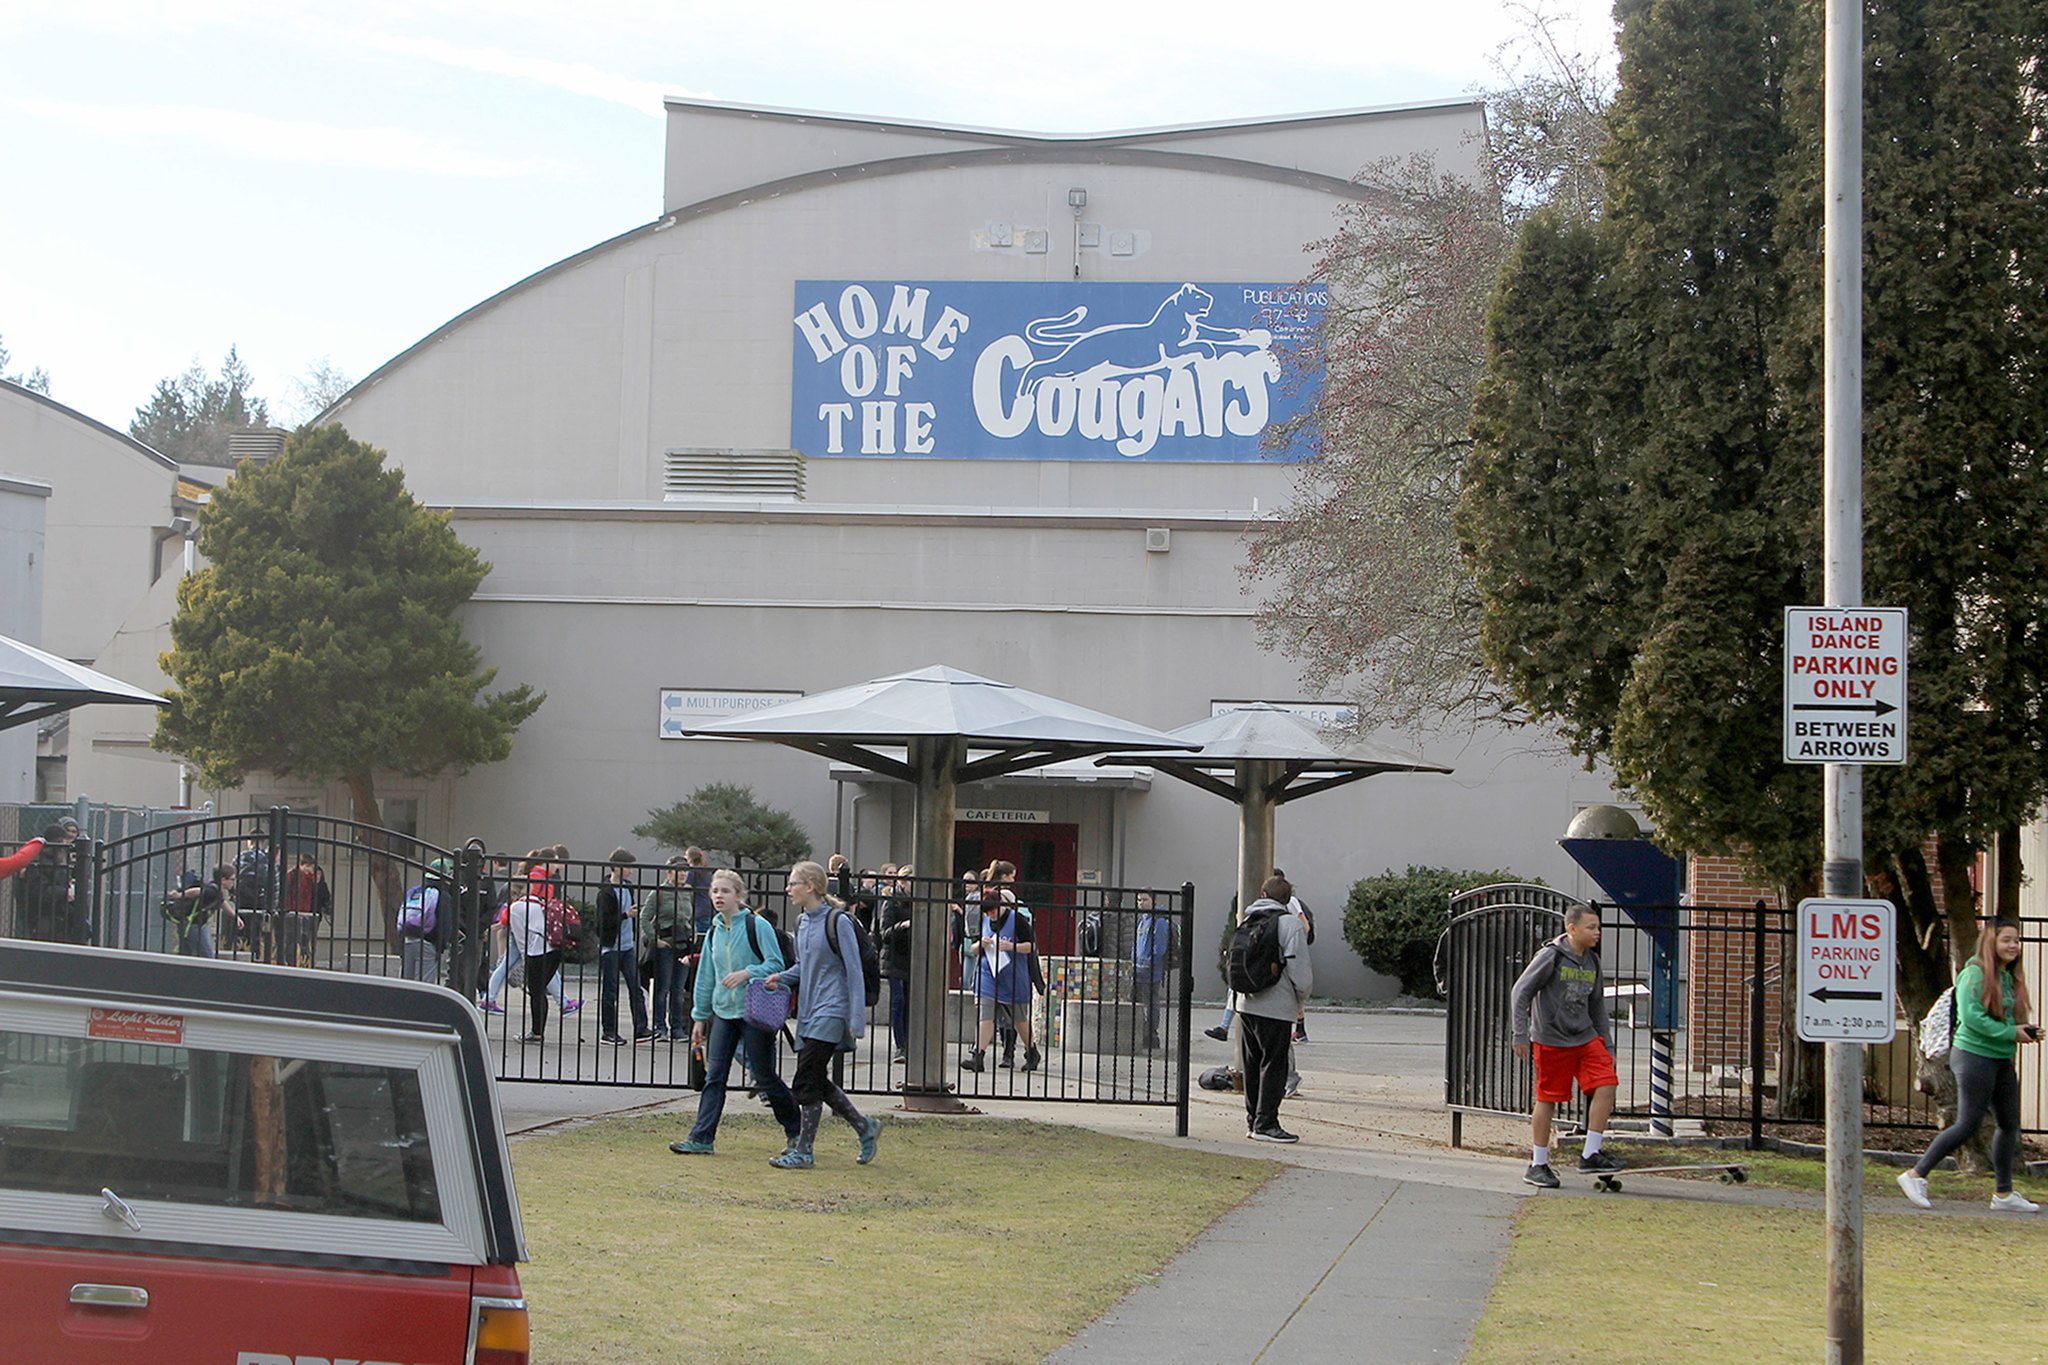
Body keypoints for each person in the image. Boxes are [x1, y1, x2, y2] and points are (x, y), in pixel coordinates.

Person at [1898, 920, 2043, 1212]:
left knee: (2008, 1123)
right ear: (1991, 942)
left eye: (2016, 940)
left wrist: (2023, 1029)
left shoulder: (2005, 976)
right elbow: (1972, 1017)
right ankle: (1915, 1175)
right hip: (1974, 1056)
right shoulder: (1974, 974)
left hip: (2000, 1058)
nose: (2013, 946)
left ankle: (2003, 1195)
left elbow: (2001, 1019)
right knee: (1968, 1123)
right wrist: (2009, 1033)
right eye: (2006, 940)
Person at [759, 861, 883, 1169]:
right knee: (816, 1079)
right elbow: (803, 966)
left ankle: (804, 1150)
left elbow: (854, 970)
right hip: (810, 1012)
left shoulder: (838, 922)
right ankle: (865, 1127)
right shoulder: (802, 923)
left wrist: (856, 1019)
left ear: (810, 886)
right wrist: (781, 978)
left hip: (832, 1009)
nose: (788, 889)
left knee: (805, 1079)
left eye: (793, 883)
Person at [669, 869, 801, 1155]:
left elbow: (776, 964)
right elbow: (706, 975)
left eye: (725, 891)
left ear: (738, 896)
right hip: (723, 1013)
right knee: (714, 1076)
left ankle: (795, 1130)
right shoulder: (714, 930)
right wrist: (699, 1017)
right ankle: (702, 1137)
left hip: (754, 1012)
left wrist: (747, 973)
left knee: (764, 1076)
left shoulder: (757, 925)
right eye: (715, 891)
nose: (718, 896)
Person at [1510, 903, 1622, 1187]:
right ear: (1572, 929)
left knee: (1607, 1083)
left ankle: (1591, 1153)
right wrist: (1520, 1034)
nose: (1597, 933)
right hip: (1552, 1039)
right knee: (1548, 1098)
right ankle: (1538, 1164)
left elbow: (1597, 1005)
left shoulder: (1593, 962)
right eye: (1591, 928)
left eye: (1598, 927)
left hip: (1585, 1037)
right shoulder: (1551, 956)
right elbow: (1521, 992)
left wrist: (1606, 1045)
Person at [1238, 875, 1311, 1142]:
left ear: (1262, 894)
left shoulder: (1247, 920)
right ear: (1287, 900)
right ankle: (1267, 1124)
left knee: (1252, 1063)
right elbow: (1300, 971)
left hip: (1246, 1003)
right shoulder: (1289, 924)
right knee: (1274, 1064)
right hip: (1276, 1006)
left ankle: (1252, 1120)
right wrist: (1301, 998)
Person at [963, 864, 1039, 1073]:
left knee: (1019, 1019)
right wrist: (982, 945)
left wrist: (1011, 946)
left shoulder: (1018, 920)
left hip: (1013, 975)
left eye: (993, 912)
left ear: (1001, 906)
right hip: (988, 973)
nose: (991, 917)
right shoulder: (986, 918)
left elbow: (1031, 946)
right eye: (988, 914)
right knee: (985, 1015)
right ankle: (978, 1056)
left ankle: (1031, 1050)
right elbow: (975, 947)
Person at [596, 848, 651, 1045]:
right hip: (610, 946)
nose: (630, 871)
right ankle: (608, 1031)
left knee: (635, 987)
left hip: (628, 945)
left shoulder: (628, 887)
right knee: (610, 990)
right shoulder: (606, 892)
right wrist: (626, 915)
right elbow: (603, 922)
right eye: (627, 867)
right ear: (616, 868)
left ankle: (641, 1028)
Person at [509, 862, 565, 1044]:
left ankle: (536, 1032)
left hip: (536, 952)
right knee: (541, 990)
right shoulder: (540, 903)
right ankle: (538, 1031)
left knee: (536, 991)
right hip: (555, 949)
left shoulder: (516, 908)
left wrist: (525, 959)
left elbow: (520, 937)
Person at [644, 855, 695, 1042]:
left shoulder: (689, 891)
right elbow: (645, 917)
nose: (682, 874)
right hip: (666, 944)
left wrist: (693, 933)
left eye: (685, 871)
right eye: (679, 870)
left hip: (683, 944)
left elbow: (692, 917)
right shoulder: (660, 892)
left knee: (678, 989)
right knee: (662, 988)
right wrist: (655, 939)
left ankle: (677, 1028)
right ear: (669, 872)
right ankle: (660, 1027)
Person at [877, 866, 914, 1063]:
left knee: (911, 1003)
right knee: (898, 1000)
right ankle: (900, 1045)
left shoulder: (919, 902)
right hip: (895, 958)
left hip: (912, 958)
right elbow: (883, 933)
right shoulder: (891, 902)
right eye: (908, 880)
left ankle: (909, 1043)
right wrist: (902, 925)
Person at [397, 858, 454, 984]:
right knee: (424, 985)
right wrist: (441, 947)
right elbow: (444, 925)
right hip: (428, 944)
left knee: (405, 984)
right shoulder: (442, 895)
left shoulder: (415, 891)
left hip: (408, 940)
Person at [1132, 891, 1173, 1051]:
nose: (1141, 903)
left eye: (1145, 899)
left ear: (1153, 901)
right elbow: (1137, 944)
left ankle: (1151, 1034)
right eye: (1139, 900)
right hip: (1138, 969)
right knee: (1139, 1003)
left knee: (1151, 1004)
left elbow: (1160, 948)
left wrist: (1148, 963)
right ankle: (1141, 1032)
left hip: (1151, 971)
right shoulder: (1142, 921)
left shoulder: (1159, 921)